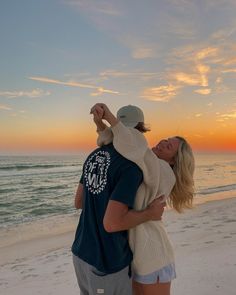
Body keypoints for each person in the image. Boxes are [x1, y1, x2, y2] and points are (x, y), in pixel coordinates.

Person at [90, 103, 195, 295]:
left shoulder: (163, 171)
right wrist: (100, 125)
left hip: (153, 255)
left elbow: (133, 144)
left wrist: (109, 117)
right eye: (164, 140)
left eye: (169, 146)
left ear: (175, 160)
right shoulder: (147, 165)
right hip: (138, 255)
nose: (162, 143)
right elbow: (121, 144)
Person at [71, 119, 166, 295]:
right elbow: (112, 223)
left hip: (80, 252)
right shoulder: (130, 166)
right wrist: (150, 213)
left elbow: (79, 202)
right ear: (140, 132)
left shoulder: (94, 155)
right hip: (106, 260)